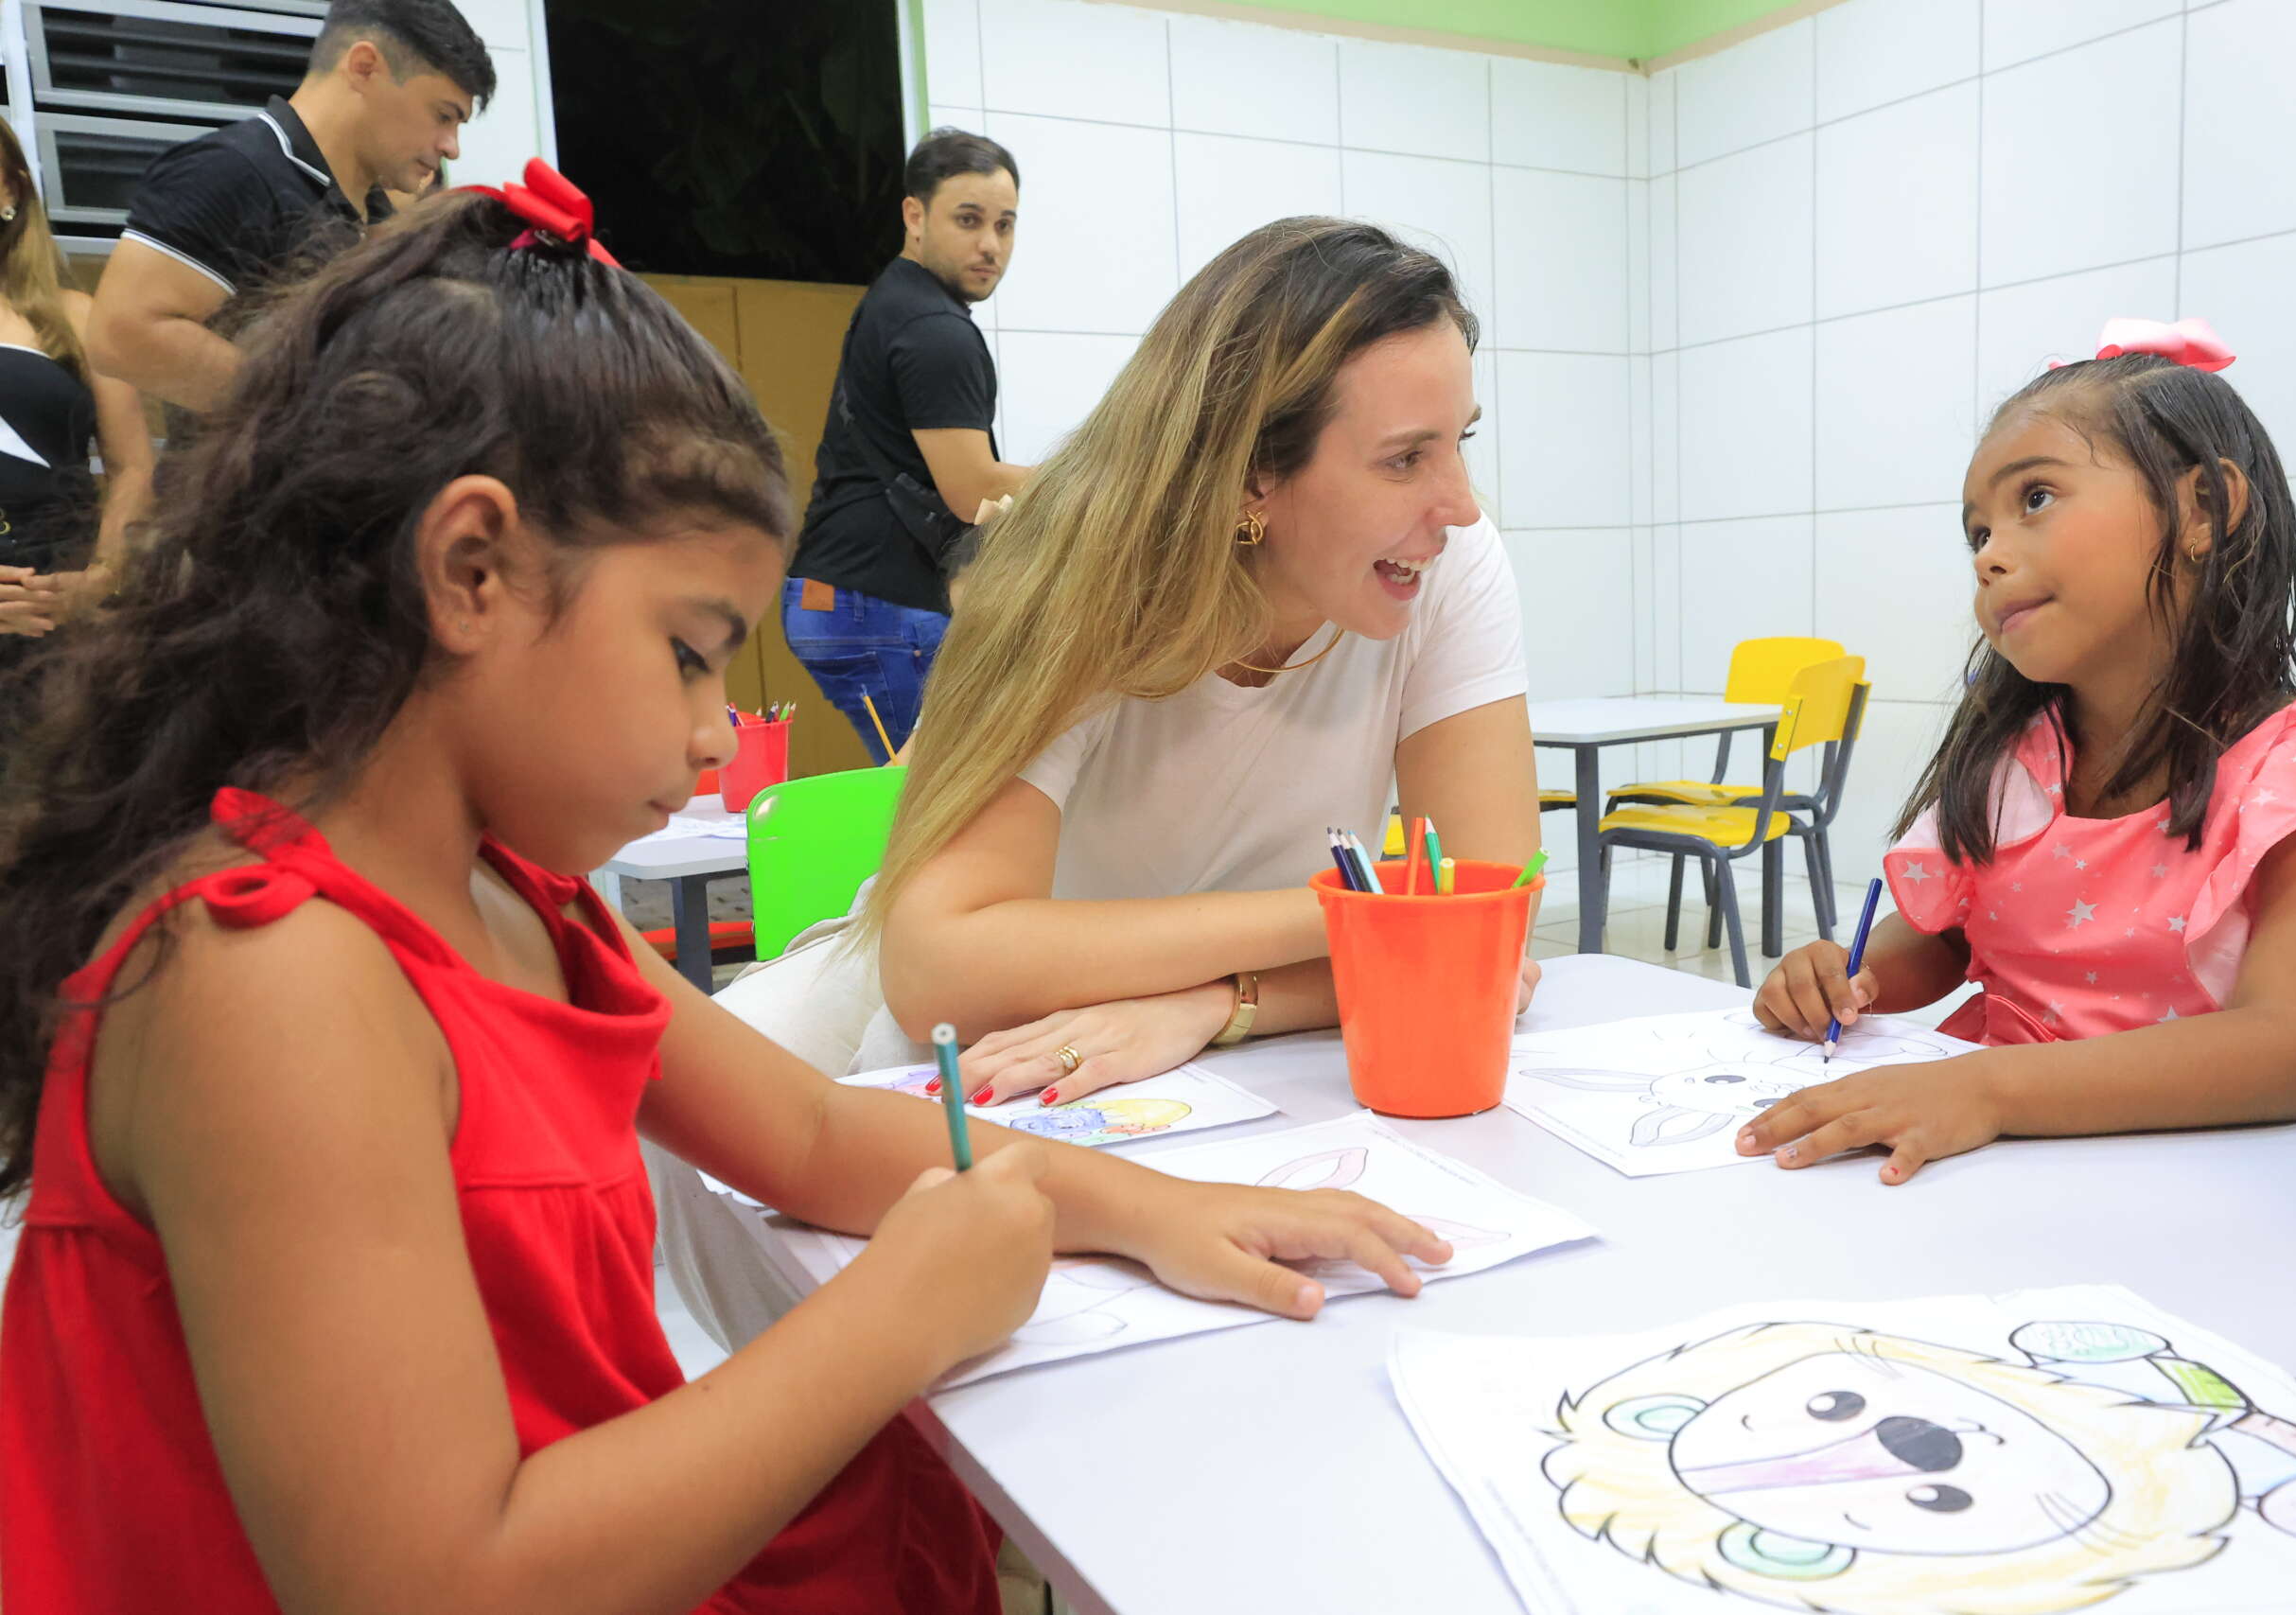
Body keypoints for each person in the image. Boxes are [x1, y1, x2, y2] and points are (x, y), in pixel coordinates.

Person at [0, 177, 1451, 1613]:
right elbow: (436, 1580)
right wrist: (900, 1313)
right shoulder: (269, 978)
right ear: (471, 570)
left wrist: (1153, 1206)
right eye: (689, 651)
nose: (715, 733)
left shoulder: (529, 902)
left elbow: (811, 1129)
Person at [868, 216, 1543, 1107]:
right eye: (1405, 458)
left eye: (1462, 439)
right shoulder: (1078, 576)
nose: (1458, 505)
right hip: (996, 1063)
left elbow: (1494, 938)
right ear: (1250, 473)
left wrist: (1217, 1004)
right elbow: (936, 966)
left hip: (1234, 1064)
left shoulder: (1447, 562)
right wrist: (1357, 915)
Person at [1744, 319, 2296, 1183]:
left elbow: (2286, 1051)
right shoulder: (2015, 761)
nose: (1989, 555)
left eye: (2033, 499)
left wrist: (1990, 1089)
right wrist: (1844, 978)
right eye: (1976, 532)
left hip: (2240, 1186)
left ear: (2203, 510)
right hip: (2021, 1169)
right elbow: (1946, 941)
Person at [85, 0, 493, 414]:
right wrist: (320, 417)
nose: (451, 148)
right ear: (365, 67)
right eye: (443, 115)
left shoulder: (377, 213)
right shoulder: (236, 170)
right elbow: (123, 336)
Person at [787, 128, 1027, 764]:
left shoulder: (894, 302)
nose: (990, 245)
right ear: (914, 214)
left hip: (839, 596)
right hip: (881, 607)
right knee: (941, 800)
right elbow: (974, 491)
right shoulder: (932, 329)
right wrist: (1112, 479)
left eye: (1005, 225)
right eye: (969, 220)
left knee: (929, 796)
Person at [0, 119, 151, 675]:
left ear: (11, 189)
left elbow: (132, 465)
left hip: (66, 626)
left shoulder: (78, 316)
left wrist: (104, 576)